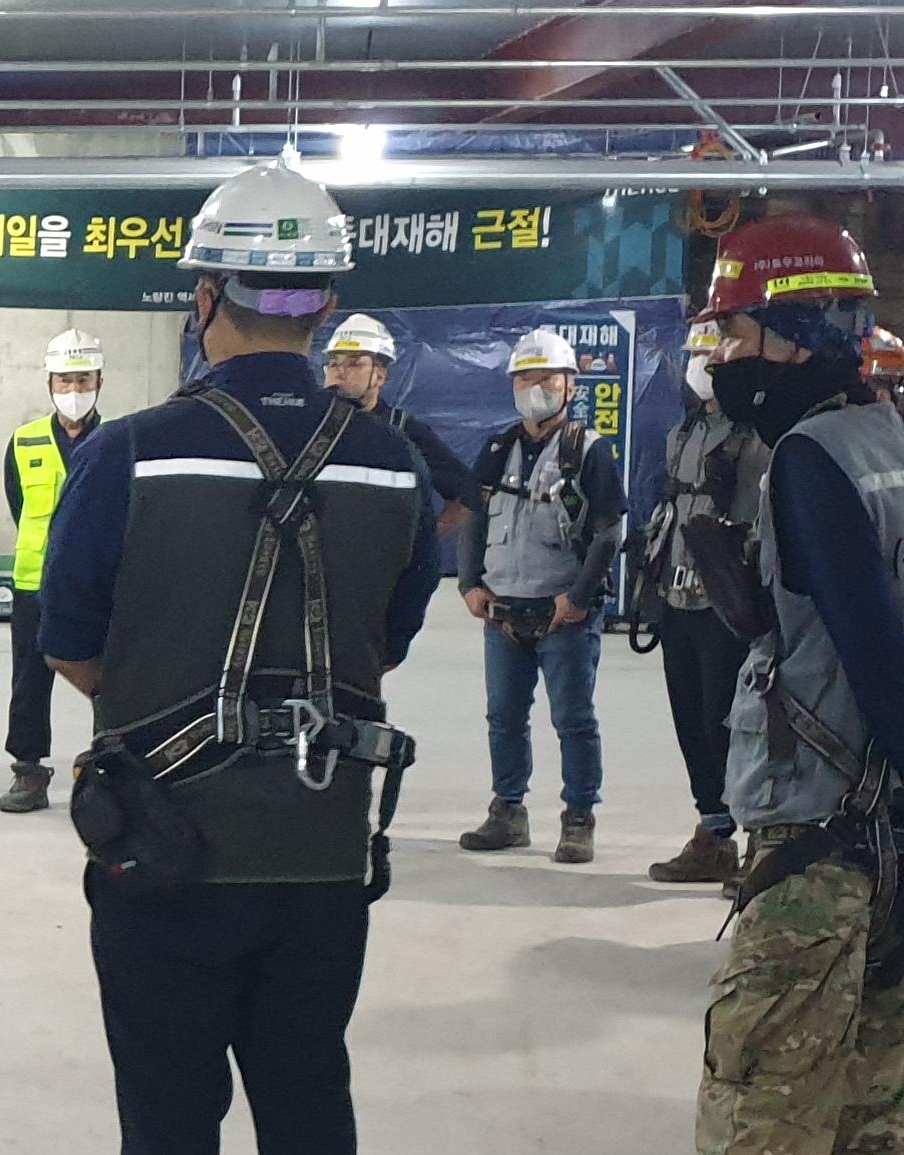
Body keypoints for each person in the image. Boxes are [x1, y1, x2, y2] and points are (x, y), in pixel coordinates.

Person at [35, 162, 439, 1155]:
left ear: (205, 296)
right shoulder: (391, 463)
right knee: (309, 1104)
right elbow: (385, 641)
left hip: (165, 854)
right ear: (323, 303)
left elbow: (72, 646)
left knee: (171, 1122)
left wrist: (173, 700)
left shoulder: (130, 454)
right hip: (322, 852)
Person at [588, 216, 904, 1155]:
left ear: (798, 333)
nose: (728, 353)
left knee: (760, 1085)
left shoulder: (807, 459)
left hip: (824, 822)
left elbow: (861, 639)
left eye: (741, 328)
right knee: (872, 1079)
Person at [457, 329, 625, 864]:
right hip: (502, 610)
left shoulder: (588, 452)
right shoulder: (496, 449)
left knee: (573, 718)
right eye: (524, 379)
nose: (534, 389)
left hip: (562, 614)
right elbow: (473, 517)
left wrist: (576, 598)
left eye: (546, 379)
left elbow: (608, 533)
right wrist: (469, 583)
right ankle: (507, 810)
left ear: (570, 385)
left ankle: (579, 817)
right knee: (503, 716)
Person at [640, 321, 757, 886]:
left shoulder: (753, 436)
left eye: (711, 354)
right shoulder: (683, 431)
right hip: (676, 592)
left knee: (728, 723)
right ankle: (713, 831)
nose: (700, 365)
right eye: (695, 355)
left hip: (724, 601)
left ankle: (757, 834)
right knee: (690, 719)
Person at [0, 330, 110, 813]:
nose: (74, 389)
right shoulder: (24, 442)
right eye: (65, 380)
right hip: (35, 584)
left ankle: (111, 763)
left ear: (100, 381)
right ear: (49, 383)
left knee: (108, 680)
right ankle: (28, 771)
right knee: (28, 681)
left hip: (97, 586)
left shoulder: (116, 442)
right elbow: (17, 502)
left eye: (83, 379)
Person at [317, 313, 485, 544]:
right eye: (334, 363)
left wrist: (420, 542)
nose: (340, 372)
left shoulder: (404, 431)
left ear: (380, 375)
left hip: (379, 562)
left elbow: (469, 493)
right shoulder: (312, 427)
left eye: (355, 363)